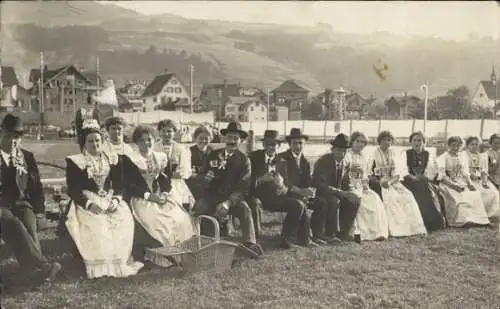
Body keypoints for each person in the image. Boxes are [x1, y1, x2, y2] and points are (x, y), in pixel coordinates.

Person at [64, 119, 143, 278]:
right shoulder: (76, 161)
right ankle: (100, 266)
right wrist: (89, 204)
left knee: (124, 218)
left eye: (97, 140)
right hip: (86, 201)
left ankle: (119, 261)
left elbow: (120, 185)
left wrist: (116, 200)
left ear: (102, 140)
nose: (95, 144)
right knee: (98, 224)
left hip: (109, 198)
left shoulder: (112, 159)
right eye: (90, 141)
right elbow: (73, 190)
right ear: (84, 143)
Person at [0, 114, 62, 282]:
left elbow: (36, 187)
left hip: (21, 203)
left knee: (29, 223)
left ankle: (32, 269)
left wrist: (40, 212)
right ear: (1, 133)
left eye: (17, 138)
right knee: (12, 223)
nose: (13, 142)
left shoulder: (26, 157)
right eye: (9, 136)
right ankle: (43, 267)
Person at [194, 122, 263, 258]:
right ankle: (200, 242)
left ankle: (249, 244)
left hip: (232, 199)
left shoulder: (244, 160)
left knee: (245, 209)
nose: (231, 141)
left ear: (240, 141)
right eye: (229, 137)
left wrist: (228, 203)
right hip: (212, 196)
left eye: (235, 138)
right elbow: (200, 176)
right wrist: (205, 179)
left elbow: (243, 186)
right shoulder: (213, 155)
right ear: (224, 138)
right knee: (200, 207)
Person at [127, 125, 196, 257]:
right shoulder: (132, 159)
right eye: (142, 140)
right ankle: (162, 254)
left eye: (149, 139)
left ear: (154, 140)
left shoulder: (161, 157)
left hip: (161, 196)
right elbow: (131, 186)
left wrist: (164, 193)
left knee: (181, 217)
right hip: (142, 198)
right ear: (136, 142)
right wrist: (149, 196)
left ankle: (181, 252)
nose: (146, 143)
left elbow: (167, 181)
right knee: (156, 220)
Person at [248, 130, 310, 248]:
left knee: (298, 205)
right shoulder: (253, 158)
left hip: (274, 197)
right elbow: (244, 180)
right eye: (268, 144)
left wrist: (282, 188)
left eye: (274, 144)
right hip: (255, 195)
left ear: (279, 145)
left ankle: (287, 239)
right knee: (255, 203)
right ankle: (254, 239)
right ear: (263, 145)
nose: (271, 147)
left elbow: (286, 183)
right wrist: (260, 179)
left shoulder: (282, 160)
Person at [368, 131, 427, 237]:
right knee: (391, 198)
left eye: (389, 140)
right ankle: (396, 229)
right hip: (379, 181)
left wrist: (391, 181)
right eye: (384, 140)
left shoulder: (394, 154)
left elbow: (399, 173)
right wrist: (380, 182)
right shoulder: (373, 155)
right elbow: (369, 174)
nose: (387, 143)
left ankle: (411, 228)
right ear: (379, 142)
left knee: (407, 196)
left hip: (393, 181)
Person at [278, 128, 328, 246]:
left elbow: (307, 180)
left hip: (300, 193)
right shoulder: (282, 158)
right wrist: (301, 191)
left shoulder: (304, 160)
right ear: (289, 144)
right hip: (285, 193)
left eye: (301, 143)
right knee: (300, 201)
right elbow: (284, 181)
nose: (298, 146)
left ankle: (316, 235)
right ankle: (301, 238)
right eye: (295, 143)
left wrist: (310, 190)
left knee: (322, 202)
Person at [313, 133, 362, 243]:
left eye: (344, 150)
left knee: (355, 200)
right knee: (333, 200)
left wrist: (352, 192)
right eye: (339, 150)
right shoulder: (323, 162)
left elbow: (347, 183)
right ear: (333, 149)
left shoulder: (345, 163)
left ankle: (344, 232)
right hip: (320, 192)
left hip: (336, 193)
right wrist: (341, 193)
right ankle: (330, 233)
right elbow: (321, 185)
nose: (341, 153)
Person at [342, 132, 389, 241]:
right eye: (357, 141)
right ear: (352, 142)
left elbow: (365, 175)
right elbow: (345, 175)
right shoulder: (347, 155)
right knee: (361, 201)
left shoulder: (363, 157)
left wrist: (365, 185)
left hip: (360, 186)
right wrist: (353, 185)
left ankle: (376, 232)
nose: (360, 144)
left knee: (375, 198)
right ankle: (360, 233)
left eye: (363, 142)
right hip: (348, 186)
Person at [436, 136, 490, 227]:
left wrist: (469, 184)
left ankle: (477, 219)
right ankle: (461, 220)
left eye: (458, 146)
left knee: (474, 194)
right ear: (448, 145)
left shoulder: (462, 157)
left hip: (460, 181)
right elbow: (441, 177)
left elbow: (465, 173)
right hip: (447, 183)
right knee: (459, 198)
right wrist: (454, 186)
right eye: (453, 145)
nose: (456, 148)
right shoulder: (443, 157)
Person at [401, 132, 446, 231]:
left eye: (419, 140)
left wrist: (425, 178)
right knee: (421, 189)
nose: (417, 143)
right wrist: (413, 177)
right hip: (409, 180)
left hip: (424, 180)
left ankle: (434, 222)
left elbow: (432, 171)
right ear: (411, 142)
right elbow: (403, 170)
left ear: (424, 142)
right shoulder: (405, 153)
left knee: (428, 190)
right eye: (414, 140)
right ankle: (424, 222)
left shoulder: (428, 155)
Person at [157, 120, 195, 209]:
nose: (166, 134)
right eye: (163, 131)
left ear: (174, 132)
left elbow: (184, 172)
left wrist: (166, 174)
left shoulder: (182, 149)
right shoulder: (154, 147)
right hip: (157, 181)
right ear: (159, 132)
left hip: (175, 182)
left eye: (169, 131)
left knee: (174, 200)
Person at [463, 136, 500, 221]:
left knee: (492, 192)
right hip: (467, 179)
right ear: (467, 145)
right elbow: (463, 170)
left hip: (479, 179)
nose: (474, 146)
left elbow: (484, 171)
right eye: (472, 144)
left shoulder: (482, 156)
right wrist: (470, 175)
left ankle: (488, 213)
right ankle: (476, 214)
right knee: (476, 193)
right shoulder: (464, 155)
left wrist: (484, 182)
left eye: (476, 144)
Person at [186, 125, 215, 201]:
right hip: (194, 181)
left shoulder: (213, 151)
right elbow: (187, 171)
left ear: (210, 139)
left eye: (206, 138)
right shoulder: (189, 151)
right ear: (195, 138)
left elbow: (215, 168)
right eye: (200, 138)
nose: (203, 141)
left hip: (209, 181)